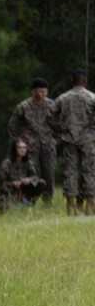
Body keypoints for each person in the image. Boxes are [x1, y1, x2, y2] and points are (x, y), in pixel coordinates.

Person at [47, 69, 95, 215]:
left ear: (72, 81)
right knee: (90, 171)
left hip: (69, 139)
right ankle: (91, 205)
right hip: (88, 139)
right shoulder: (92, 97)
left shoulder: (63, 98)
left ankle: (70, 206)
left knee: (70, 172)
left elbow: (49, 116)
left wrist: (60, 128)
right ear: (85, 82)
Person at [7, 78, 56, 205]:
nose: (43, 94)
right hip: (29, 147)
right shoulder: (24, 107)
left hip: (48, 146)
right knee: (28, 175)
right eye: (41, 91)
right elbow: (12, 125)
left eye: (45, 91)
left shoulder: (52, 105)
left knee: (49, 175)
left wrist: (57, 138)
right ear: (34, 91)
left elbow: (61, 123)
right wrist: (19, 142)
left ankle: (48, 201)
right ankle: (26, 200)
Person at [0, 138, 46, 213]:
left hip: (24, 191)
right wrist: (13, 184)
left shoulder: (28, 163)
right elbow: (0, 184)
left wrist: (28, 180)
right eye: (19, 148)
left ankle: (30, 202)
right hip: (9, 192)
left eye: (24, 148)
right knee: (9, 212)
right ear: (14, 149)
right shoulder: (6, 164)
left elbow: (35, 177)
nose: (22, 150)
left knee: (41, 183)